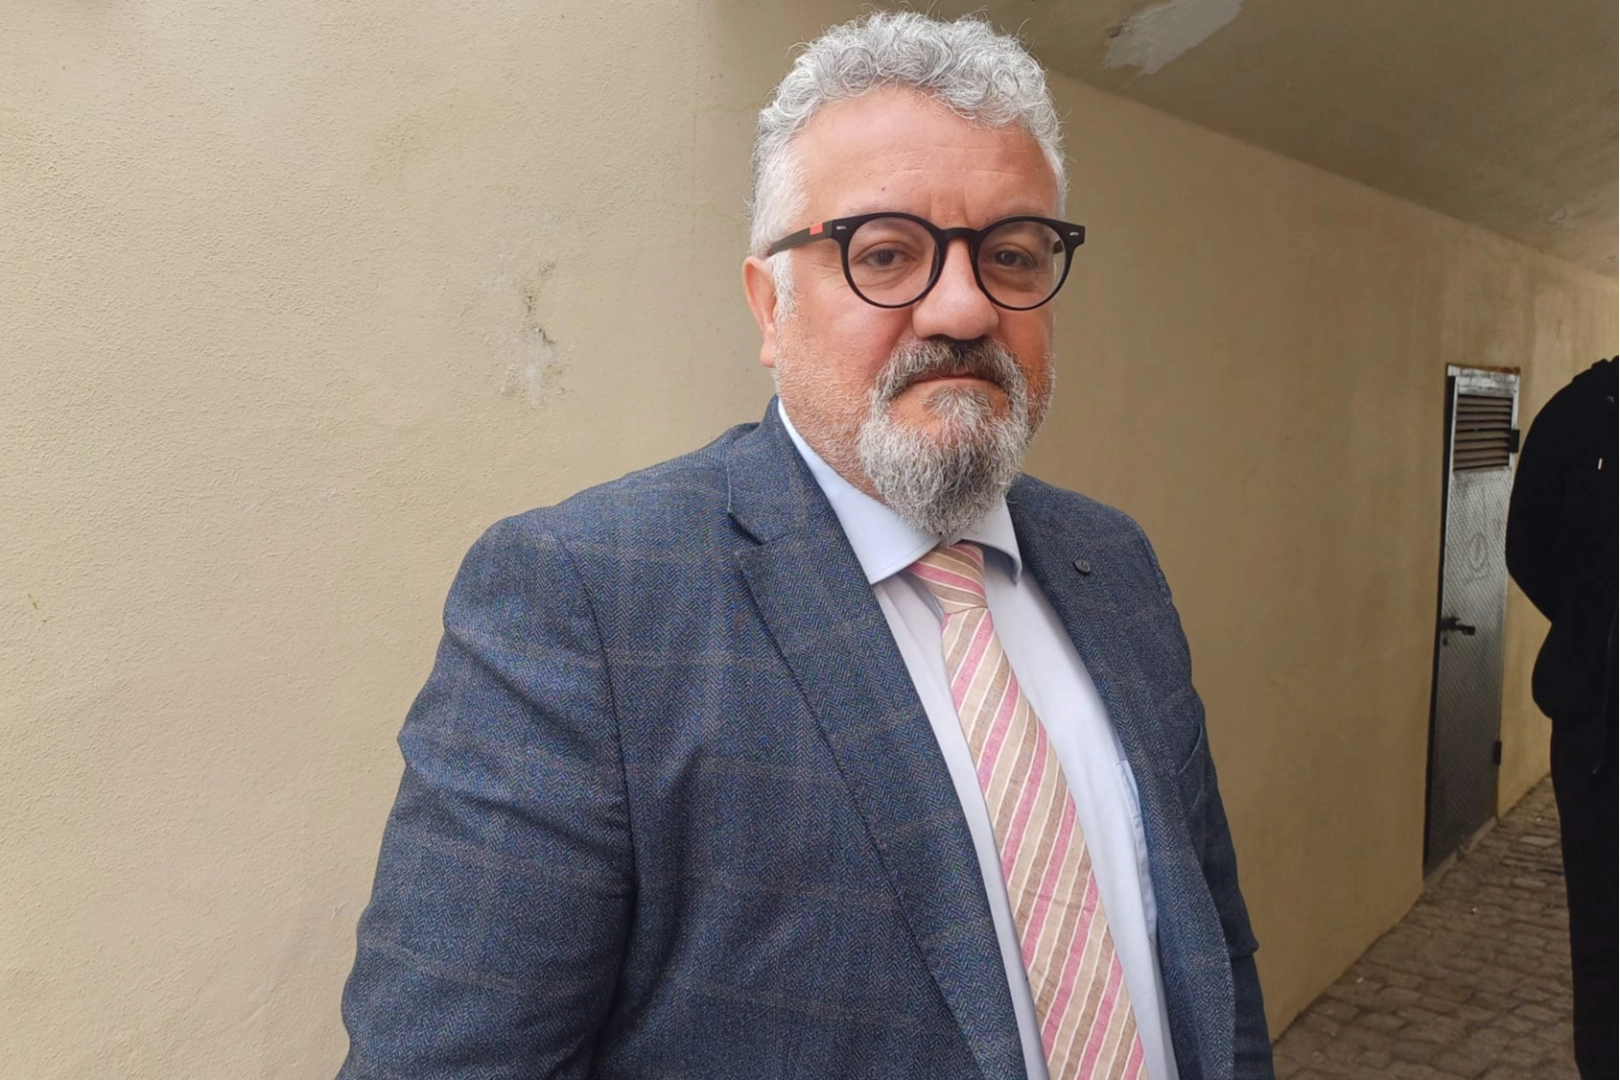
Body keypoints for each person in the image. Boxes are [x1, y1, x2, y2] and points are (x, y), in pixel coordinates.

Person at [336, 14, 1271, 1079]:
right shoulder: (587, 605)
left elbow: (1212, 960)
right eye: (886, 253)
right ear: (769, 307)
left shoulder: (1117, 566)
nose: (963, 306)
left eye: (1012, 255)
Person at [1505, 355, 1620, 1079]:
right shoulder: (1580, 416)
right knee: (1605, 944)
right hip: (1599, 739)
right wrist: (1590, 630)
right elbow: (1527, 548)